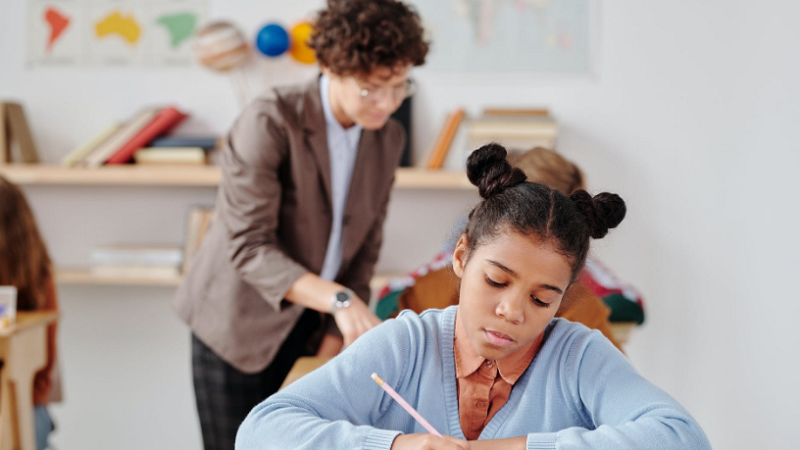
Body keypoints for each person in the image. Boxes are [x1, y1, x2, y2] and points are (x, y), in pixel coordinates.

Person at [235, 144, 711, 450]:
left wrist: (515, 448)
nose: (512, 312)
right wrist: (401, 446)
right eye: (497, 281)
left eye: (542, 300)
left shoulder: (579, 356)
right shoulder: (407, 344)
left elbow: (683, 439)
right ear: (461, 257)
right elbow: (261, 431)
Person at [172, 1, 430, 449]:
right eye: (372, 88)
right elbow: (249, 246)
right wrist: (341, 302)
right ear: (330, 66)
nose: (387, 104)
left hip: (313, 323)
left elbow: (365, 246)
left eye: (399, 86)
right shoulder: (271, 119)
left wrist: (333, 335)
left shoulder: (388, 137)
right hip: (237, 324)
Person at [0, 175, 58, 450]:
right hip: (32, 409)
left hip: (25, 410)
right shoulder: (40, 274)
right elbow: (45, 369)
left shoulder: (39, 277)